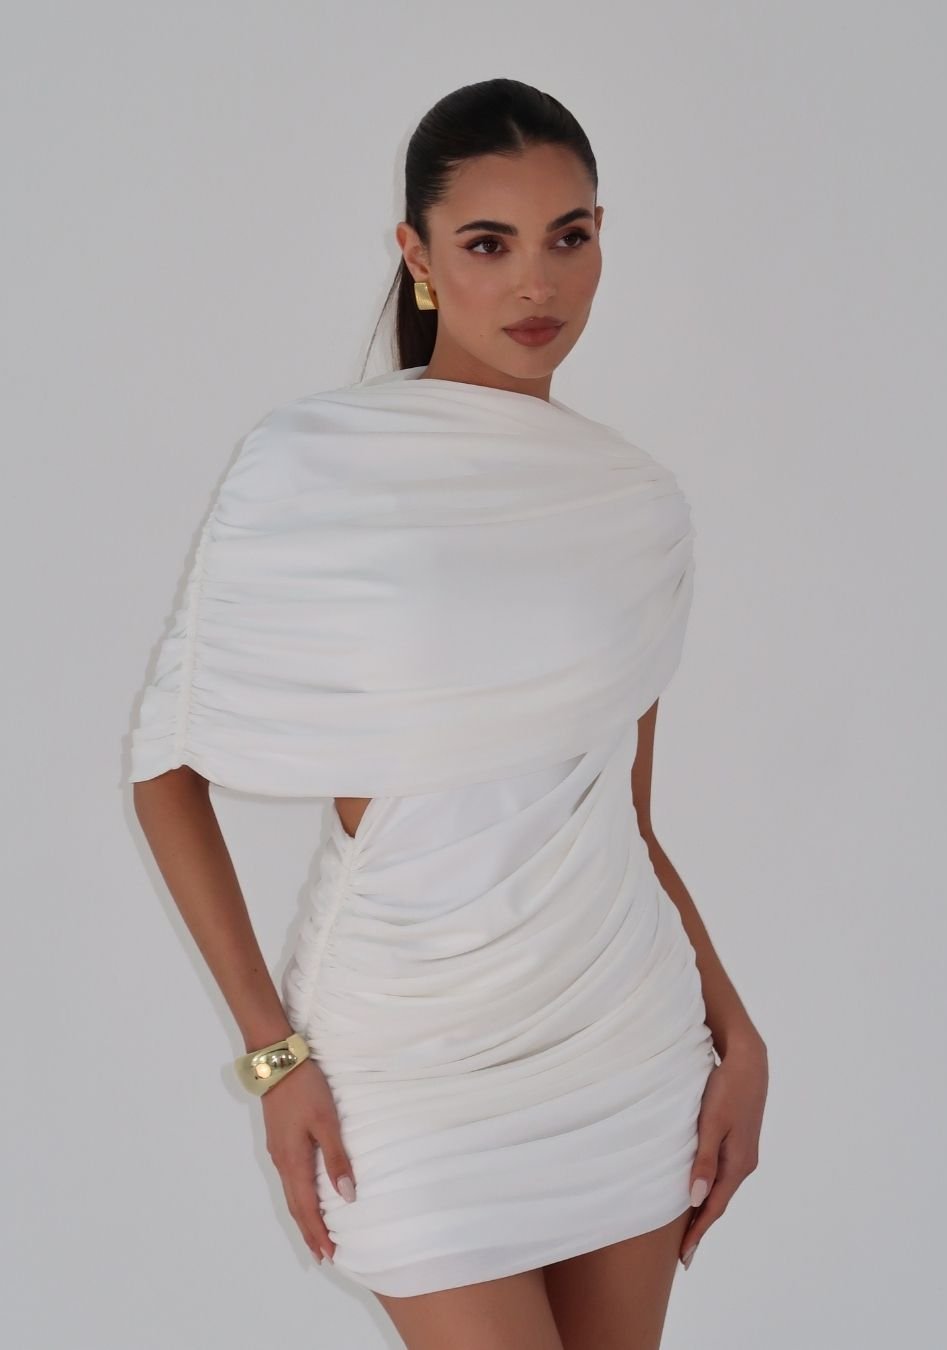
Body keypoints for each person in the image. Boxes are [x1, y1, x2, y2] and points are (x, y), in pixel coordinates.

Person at [127, 78, 769, 1350]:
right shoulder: (310, 465)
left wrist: (735, 1031)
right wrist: (274, 1057)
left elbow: (625, 823)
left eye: (568, 236)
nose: (537, 282)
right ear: (416, 256)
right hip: (407, 1069)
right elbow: (165, 775)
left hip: (621, 1038)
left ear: (601, 238)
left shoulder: (636, 505)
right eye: (488, 243)